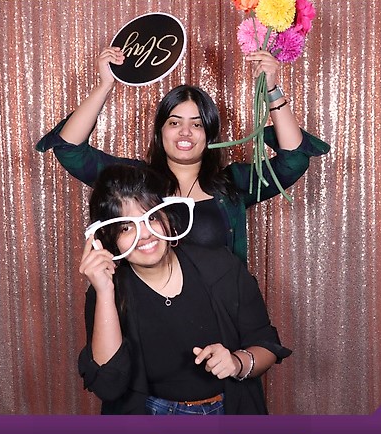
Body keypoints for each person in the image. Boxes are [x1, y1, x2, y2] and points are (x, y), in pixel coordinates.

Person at [38, 44, 329, 261]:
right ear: (160, 131)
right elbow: (70, 150)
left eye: (197, 124)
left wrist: (272, 90)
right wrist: (105, 85)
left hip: (222, 316)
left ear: (209, 135)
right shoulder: (135, 182)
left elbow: (293, 159)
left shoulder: (234, 184)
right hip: (153, 316)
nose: (185, 133)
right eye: (175, 123)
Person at [78, 164, 290, 414]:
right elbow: (108, 385)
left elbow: (266, 344)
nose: (144, 234)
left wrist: (237, 362)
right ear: (107, 239)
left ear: (167, 216)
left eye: (152, 217)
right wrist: (104, 292)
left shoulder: (221, 266)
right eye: (126, 227)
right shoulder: (107, 291)